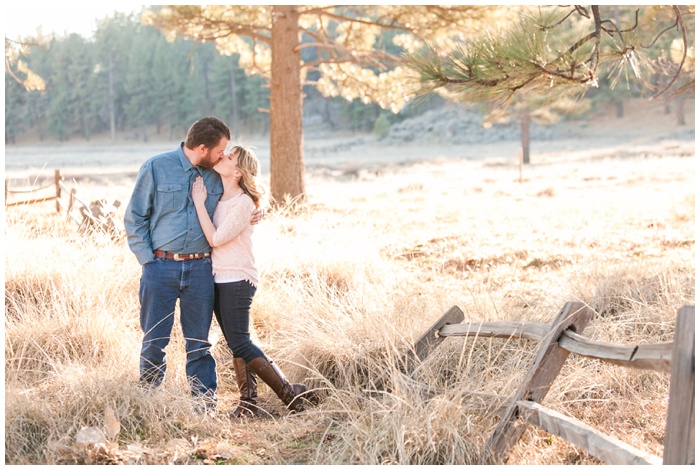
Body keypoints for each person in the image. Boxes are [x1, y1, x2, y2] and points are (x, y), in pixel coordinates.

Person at [124, 117, 262, 411]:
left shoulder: (217, 173)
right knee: (154, 339)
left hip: (202, 270)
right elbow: (135, 217)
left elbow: (245, 191)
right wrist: (148, 261)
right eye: (220, 151)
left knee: (199, 342)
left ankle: (204, 405)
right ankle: (147, 402)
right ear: (202, 148)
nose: (224, 156)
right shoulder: (156, 167)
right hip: (160, 268)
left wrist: (260, 210)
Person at [191, 144, 311, 418]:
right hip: (220, 277)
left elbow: (216, 239)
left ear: (237, 172)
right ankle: (248, 403)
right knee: (236, 342)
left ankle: (290, 395)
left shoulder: (243, 202)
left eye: (230, 156)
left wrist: (198, 202)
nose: (223, 156)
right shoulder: (222, 195)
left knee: (241, 342)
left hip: (238, 277)